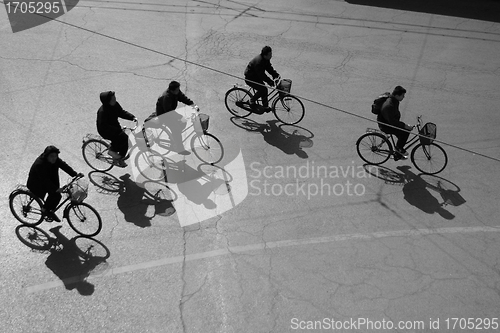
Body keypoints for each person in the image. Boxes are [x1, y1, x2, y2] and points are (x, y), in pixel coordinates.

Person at [27, 146, 83, 222]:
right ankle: (44, 210)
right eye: (52, 156)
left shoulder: (55, 159)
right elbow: (45, 180)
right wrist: (56, 189)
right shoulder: (39, 165)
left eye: (56, 156)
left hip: (49, 179)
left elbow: (64, 166)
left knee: (57, 196)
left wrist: (75, 174)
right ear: (46, 156)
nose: (54, 158)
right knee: (55, 195)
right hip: (37, 183)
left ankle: (49, 211)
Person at [144, 81, 199, 155]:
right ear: (172, 90)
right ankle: (179, 149)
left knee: (183, 123)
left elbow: (183, 98)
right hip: (164, 115)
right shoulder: (166, 97)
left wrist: (193, 104)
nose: (178, 91)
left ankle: (173, 139)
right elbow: (169, 112)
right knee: (176, 129)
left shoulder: (175, 92)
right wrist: (180, 117)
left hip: (169, 112)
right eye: (177, 90)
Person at [97, 91, 137, 167]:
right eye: (113, 99)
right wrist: (116, 130)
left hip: (115, 127)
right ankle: (112, 151)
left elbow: (121, 112)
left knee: (126, 141)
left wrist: (132, 117)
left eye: (115, 98)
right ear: (107, 101)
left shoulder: (115, 105)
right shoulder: (102, 112)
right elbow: (103, 125)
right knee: (122, 139)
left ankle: (119, 158)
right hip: (105, 131)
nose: (115, 100)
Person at [377, 86, 414, 160]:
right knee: (405, 132)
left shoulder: (394, 100)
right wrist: (404, 125)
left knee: (403, 133)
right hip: (386, 125)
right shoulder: (389, 105)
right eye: (403, 96)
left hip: (389, 122)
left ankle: (397, 154)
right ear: (397, 96)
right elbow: (392, 122)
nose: (404, 97)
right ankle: (398, 149)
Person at [244, 46, 280, 113]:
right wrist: (270, 81)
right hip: (250, 78)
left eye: (271, 54)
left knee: (264, 89)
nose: (271, 56)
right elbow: (261, 75)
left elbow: (269, 68)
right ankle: (251, 101)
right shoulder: (259, 62)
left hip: (256, 77)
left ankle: (265, 107)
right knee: (262, 89)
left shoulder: (265, 59)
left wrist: (275, 75)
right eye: (270, 55)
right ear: (265, 55)